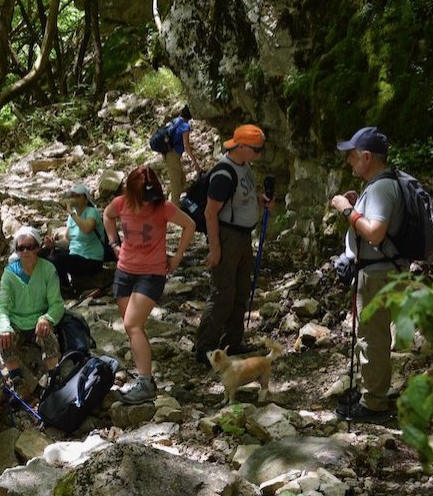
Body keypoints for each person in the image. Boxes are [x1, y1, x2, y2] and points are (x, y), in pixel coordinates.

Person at [104, 165, 196, 403]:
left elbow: (190, 225)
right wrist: (114, 244)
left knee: (132, 324)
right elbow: (107, 215)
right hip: (124, 271)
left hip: (152, 274)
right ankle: (143, 379)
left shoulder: (163, 207)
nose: (148, 202)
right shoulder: (121, 203)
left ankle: (145, 382)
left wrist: (177, 257)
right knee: (131, 328)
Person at [329, 126, 401, 422]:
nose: (349, 161)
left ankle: (373, 405)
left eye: (353, 156)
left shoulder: (382, 188)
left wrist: (347, 210)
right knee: (373, 335)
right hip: (379, 271)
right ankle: (373, 392)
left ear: (368, 157)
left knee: (372, 337)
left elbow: (375, 232)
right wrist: (358, 203)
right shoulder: (380, 185)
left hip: (377, 274)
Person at [195, 124, 270, 364]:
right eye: (257, 149)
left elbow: (243, 195)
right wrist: (215, 249)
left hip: (243, 236)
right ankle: (205, 347)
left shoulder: (244, 165)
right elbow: (210, 213)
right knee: (223, 293)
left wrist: (260, 200)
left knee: (240, 289)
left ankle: (232, 341)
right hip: (227, 237)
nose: (260, 154)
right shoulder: (223, 175)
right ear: (242, 146)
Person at [0, 226, 65, 394]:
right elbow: (2, 306)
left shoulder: (48, 269)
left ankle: (53, 377)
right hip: (17, 321)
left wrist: (47, 318)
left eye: (30, 247)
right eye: (20, 248)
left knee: (46, 333)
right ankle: (17, 380)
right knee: (4, 339)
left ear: (37, 248)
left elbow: (56, 303)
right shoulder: (9, 273)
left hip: (39, 320)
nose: (25, 251)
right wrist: (4, 326)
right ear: (16, 251)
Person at [43, 184, 108, 297]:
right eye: (71, 196)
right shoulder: (72, 217)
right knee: (43, 254)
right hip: (75, 255)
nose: (73, 198)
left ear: (85, 198)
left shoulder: (91, 212)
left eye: (77, 196)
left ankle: (67, 290)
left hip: (91, 259)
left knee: (56, 260)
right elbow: (68, 240)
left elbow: (87, 228)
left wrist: (71, 213)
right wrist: (55, 244)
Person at [162, 106, 203, 204]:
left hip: (167, 154)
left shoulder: (175, 121)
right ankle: (174, 209)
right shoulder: (185, 126)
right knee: (176, 185)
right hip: (172, 156)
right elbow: (186, 146)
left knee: (182, 180)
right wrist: (195, 163)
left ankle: (174, 200)